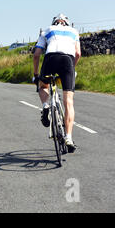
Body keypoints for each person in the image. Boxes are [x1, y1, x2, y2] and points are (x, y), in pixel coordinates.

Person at [33, 14, 81, 153]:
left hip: (51, 58)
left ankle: (46, 105)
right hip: (67, 61)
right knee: (69, 102)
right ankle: (69, 137)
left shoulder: (47, 30)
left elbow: (36, 54)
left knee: (43, 85)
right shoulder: (74, 31)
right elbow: (78, 53)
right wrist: (72, 69)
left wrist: (36, 75)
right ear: (67, 23)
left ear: (54, 22)